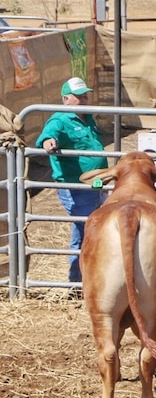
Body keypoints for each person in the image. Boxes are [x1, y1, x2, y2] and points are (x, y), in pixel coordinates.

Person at [36, 77, 108, 284]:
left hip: (96, 183)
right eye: (79, 97)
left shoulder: (87, 118)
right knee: (86, 231)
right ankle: (78, 282)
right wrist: (48, 142)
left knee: (92, 228)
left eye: (85, 95)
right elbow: (48, 136)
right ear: (65, 98)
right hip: (75, 187)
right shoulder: (60, 120)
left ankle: (83, 280)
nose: (84, 99)